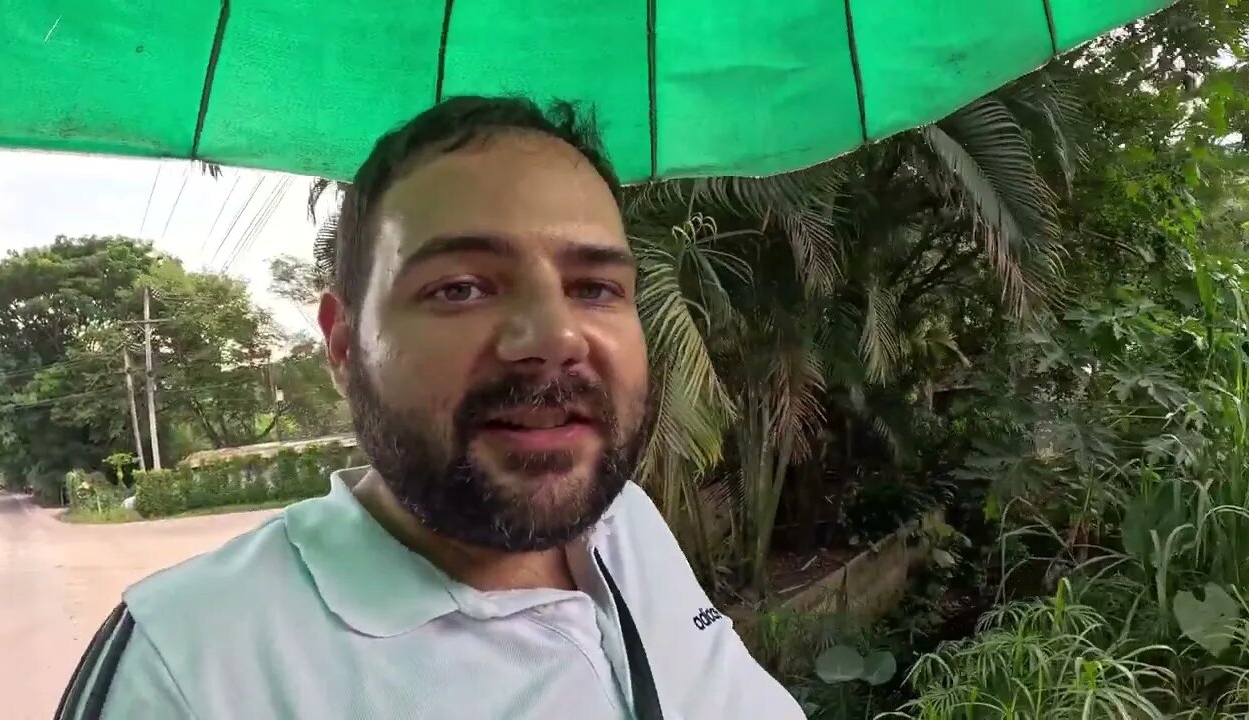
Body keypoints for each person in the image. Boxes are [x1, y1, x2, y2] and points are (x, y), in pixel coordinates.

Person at [56, 96, 805, 720]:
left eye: (595, 287)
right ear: (344, 345)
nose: (553, 337)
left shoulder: (627, 525)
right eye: (460, 288)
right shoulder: (190, 670)